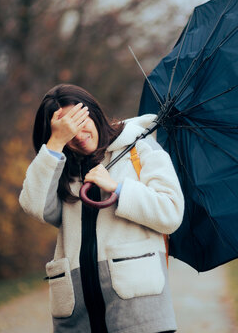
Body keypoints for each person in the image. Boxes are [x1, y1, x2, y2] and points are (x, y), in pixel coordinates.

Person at [19, 84, 184, 333]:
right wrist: (54, 143)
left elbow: (171, 212)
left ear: (94, 112)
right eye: (67, 129)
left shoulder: (140, 148)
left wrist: (117, 189)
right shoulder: (61, 169)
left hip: (137, 314)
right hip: (79, 317)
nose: (77, 133)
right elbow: (34, 206)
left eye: (80, 120)